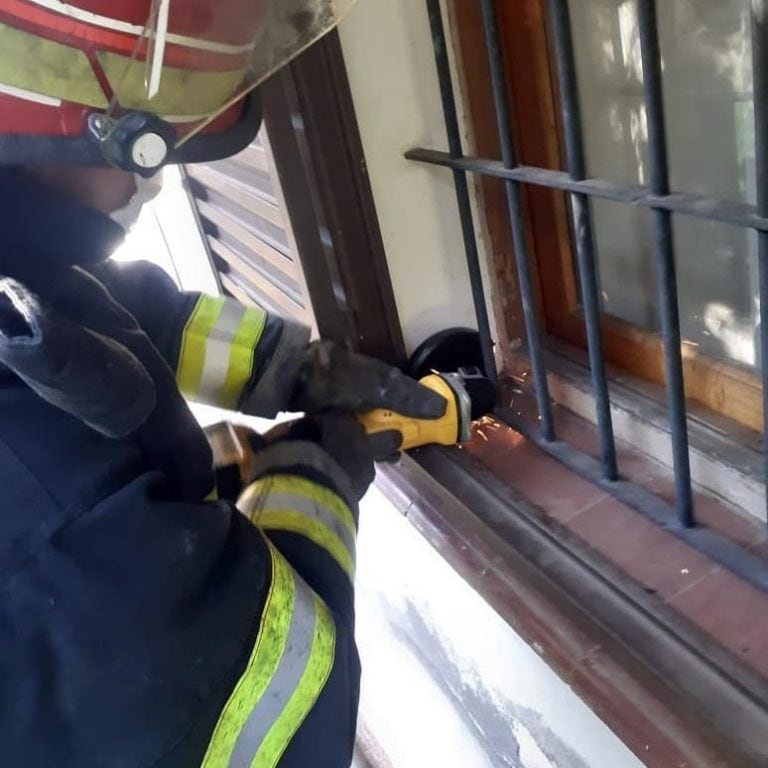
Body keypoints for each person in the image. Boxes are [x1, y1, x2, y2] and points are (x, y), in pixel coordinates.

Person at [0, 2, 445, 766]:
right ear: (56, 136)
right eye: (156, 148)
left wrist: (294, 368)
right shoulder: (42, 513)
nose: (157, 187)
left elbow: (120, 320)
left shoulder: (22, 262)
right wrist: (313, 480)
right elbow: (267, 688)